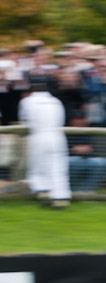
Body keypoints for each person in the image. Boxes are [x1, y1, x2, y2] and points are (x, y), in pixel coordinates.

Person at [19, 78, 71, 208]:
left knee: (37, 166)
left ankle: (44, 192)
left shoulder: (27, 101)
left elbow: (24, 120)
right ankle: (61, 197)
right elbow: (61, 120)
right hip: (58, 136)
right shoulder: (56, 101)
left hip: (39, 136)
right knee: (58, 167)